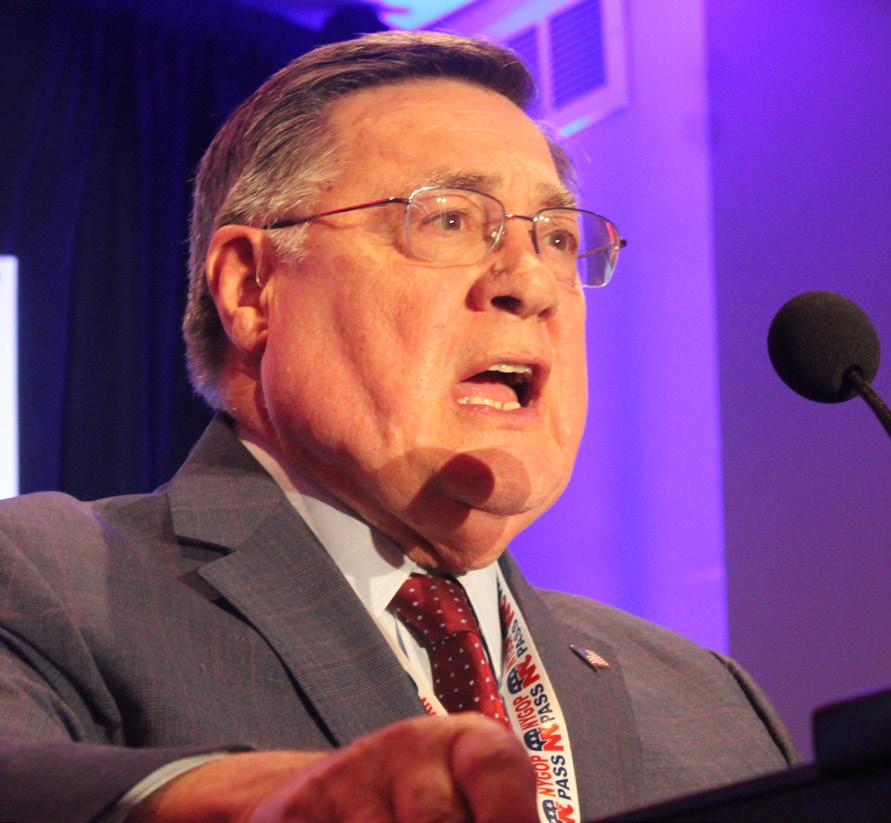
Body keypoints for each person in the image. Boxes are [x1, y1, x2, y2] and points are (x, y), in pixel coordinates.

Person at [0, 31, 795, 823]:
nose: (530, 281)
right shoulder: (50, 579)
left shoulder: (708, 699)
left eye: (555, 238)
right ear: (250, 288)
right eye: (448, 219)